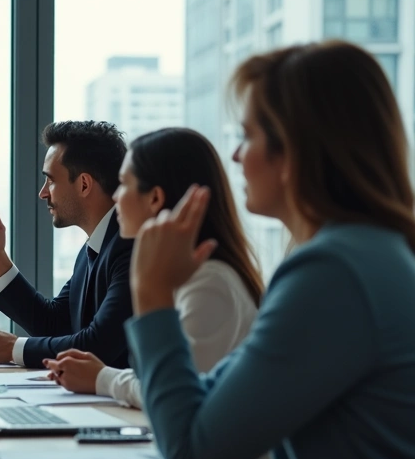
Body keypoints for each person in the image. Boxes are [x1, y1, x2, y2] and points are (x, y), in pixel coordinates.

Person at [126, 41, 415, 459]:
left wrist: (152, 296)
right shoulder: (364, 254)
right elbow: (212, 395)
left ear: (295, 152)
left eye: (248, 136)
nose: (235, 155)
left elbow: (192, 456)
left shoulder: (334, 272)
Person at [43, 128, 263, 407]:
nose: (115, 197)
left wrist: (102, 378)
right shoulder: (192, 278)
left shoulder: (209, 282)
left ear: (155, 199)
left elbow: (170, 394)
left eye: (123, 185)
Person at [0, 121, 134, 369]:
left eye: (50, 181)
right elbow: (52, 323)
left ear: (84, 184)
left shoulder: (130, 246)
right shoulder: (94, 248)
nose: (43, 193)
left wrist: (12, 348)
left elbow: (98, 345)